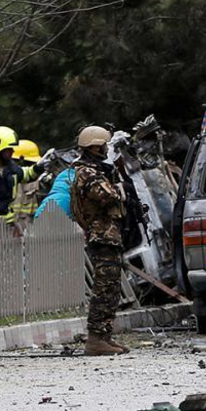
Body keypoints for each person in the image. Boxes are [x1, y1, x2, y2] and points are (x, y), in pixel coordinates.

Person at [70, 126, 130, 356]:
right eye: (104, 144)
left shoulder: (96, 170)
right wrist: (120, 188)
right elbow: (106, 196)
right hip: (101, 235)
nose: (106, 148)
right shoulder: (87, 172)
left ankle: (104, 336)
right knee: (103, 289)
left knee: (112, 288)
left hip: (108, 235)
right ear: (95, 146)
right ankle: (95, 338)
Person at [0, 127, 48, 236]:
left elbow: (25, 174)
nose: (12, 151)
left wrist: (37, 168)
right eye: (9, 149)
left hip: (9, 224)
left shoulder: (11, 169)